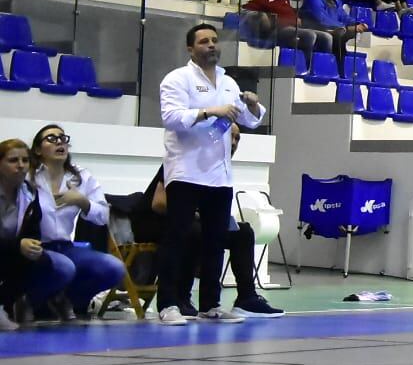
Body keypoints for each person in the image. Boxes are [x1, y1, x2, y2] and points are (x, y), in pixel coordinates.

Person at [155, 23, 263, 325]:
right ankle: (168, 303)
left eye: (215, 40)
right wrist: (209, 112)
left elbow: (250, 120)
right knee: (177, 238)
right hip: (187, 171)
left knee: (215, 240)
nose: (212, 45)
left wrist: (252, 106)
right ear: (191, 48)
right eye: (204, 41)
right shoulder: (177, 79)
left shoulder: (228, 82)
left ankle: (211, 304)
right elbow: (172, 118)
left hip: (220, 174)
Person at [147, 123, 282, 317]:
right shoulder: (185, 161)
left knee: (242, 232)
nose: (234, 143)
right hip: (164, 223)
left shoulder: (221, 170)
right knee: (193, 230)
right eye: (231, 137)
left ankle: (246, 298)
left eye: (238, 139)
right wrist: (197, 214)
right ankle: (179, 297)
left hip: (202, 224)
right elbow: (158, 203)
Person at [22, 126, 125, 322]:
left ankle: (65, 301)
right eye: (51, 138)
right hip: (36, 246)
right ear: (37, 149)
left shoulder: (81, 176)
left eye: (63, 138)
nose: (59, 142)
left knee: (114, 268)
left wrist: (82, 201)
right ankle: (28, 301)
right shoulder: (28, 175)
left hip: (66, 247)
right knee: (64, 267)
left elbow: (103, 216)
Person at [0, 137, 54, 330]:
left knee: (43, 262)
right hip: (7, 248)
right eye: (13, 161)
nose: (21, 166)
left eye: (25, 160)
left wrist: (32, 245)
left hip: (11, 252)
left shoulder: (30, 192)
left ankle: (7, 304)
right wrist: (18, 245)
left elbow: (33, 230)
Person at [242, 0, 332, 58]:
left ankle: (325, 67)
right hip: (278, 30)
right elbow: (245, 9)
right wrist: (262, 16)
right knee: (310, 35)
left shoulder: (285, 0)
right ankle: (306, 67)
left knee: (327, 37)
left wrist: (296, 19)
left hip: (294, 28)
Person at [301, 0, 368, 70]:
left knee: (341, 38)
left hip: (336, 31)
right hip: (317, 30)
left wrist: (357, 23)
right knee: (338, 37)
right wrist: (346, 28)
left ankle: (341, 71)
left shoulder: (336, 2)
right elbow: (321, 19)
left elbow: (344, 17)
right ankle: (334, 69)